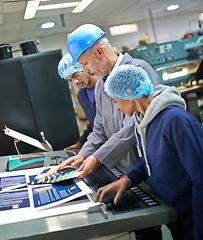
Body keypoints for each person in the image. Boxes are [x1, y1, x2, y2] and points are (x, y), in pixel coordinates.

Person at [95, 65, 203, 240]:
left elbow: (201, 177)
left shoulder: (176, 120)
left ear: (129, 93)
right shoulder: (141, 122)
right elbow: (149, 160)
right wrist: (126, 179)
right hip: (174, 214)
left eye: (116, 101)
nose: (116, 108)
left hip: (192, 214)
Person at [57, 24, 162, 178]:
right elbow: (99, 128)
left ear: (100, 52)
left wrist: (98, 157)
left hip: (145, 165)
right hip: (121, 167)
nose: (85, 71)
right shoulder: (101, 84)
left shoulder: (138, 70)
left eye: (85, 64)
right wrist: (84, 154)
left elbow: (133, 125)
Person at [58, 53, 98, 150]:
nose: (75, 82)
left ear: (84, 68)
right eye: (70, 80)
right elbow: (94, 124)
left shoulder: (105, 87)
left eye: (75, 75)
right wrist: (80, 143)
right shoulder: (82, 94)